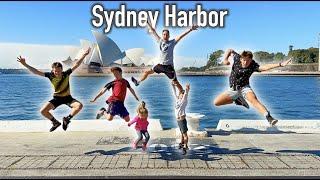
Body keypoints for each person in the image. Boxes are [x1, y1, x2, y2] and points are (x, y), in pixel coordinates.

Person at [17, 48, 91, 132]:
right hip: (57, 98)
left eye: (59, 71)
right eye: (55, 71)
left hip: (68, 98)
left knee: (79, 106)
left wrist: (84, 55)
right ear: (52, 70)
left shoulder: (66, 74)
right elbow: (36, 71)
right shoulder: (50, 75)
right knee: (43, 111)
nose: (57, 73)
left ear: (62, 70)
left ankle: (67, 119)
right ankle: (55, 122)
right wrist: (25, 64)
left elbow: (77, 64)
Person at [214, 49, 292, 126]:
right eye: (244, 60)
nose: (245, 62)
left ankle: (269, 118)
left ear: (251, 60)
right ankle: (237, 100)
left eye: (248, 61)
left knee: (253, 100)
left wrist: (280, 64)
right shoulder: (237, 57)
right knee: (216, 102)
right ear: (241, 58)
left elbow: (264, 67)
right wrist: (225, 59)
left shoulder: (253, 65)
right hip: (233, 89)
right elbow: (230, 50)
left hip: (244, 87)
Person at [131, 21, 198, 93]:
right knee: (147, 72)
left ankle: (182, 92)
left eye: (166, 35)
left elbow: (181, 36)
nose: (165, 36)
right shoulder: (160, 41)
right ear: (162, 35)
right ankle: (138, 82)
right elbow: (153, 31)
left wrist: (190, 29)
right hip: (160, 65)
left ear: (169, 36)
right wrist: (147, 23)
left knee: (176, 82)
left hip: (169, 67)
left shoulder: (172, 42)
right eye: (164, 34)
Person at [172, 83, 190, 155]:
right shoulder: (177, 100)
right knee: (182, 133)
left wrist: (187, 90)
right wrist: (173, 86)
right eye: (180, 94)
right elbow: (174, 93)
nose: (181, 95)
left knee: (185, 134)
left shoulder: (184, 101)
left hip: (182, 120)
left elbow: (186, 95)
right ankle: (181, 143)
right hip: (178, 120)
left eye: (182, 94)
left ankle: (185, 147)